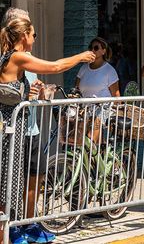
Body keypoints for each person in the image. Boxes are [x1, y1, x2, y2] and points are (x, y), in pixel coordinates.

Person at [0, 17, 95, 244]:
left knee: (12, 184)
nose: (34, 39)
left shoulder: (10, 58)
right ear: (24, 36)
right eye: (33, 35)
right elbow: (55, 67)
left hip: (17, 129)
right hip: (9, 131)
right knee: (6, 185)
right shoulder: (17, 56)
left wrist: (30, 92)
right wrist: (81, 57)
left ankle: (12, 230)